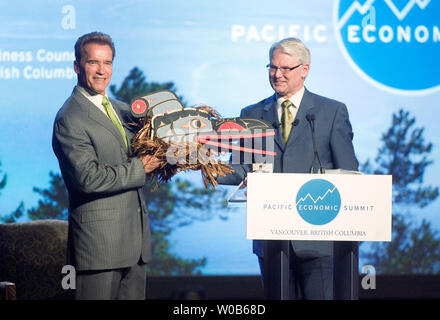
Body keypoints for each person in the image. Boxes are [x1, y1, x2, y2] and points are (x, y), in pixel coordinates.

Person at [218, 37, 359, 299]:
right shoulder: (252, 114)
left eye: (285, 68)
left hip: (320, 238)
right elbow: (238, 169)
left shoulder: (331, 112)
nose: (277, 75)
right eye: (272, 68)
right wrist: (202, 163)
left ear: (304, 70)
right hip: (271, 239)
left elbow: (348, 173)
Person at [52, 32, 161, 300]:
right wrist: (140, 168)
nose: (102, 71)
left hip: (134, 246)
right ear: (77, 66)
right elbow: (87, 178)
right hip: (98, 248)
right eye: (93, 63)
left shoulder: (121, 109)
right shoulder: (70, 118)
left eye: (108, 63)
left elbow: (151, 145)